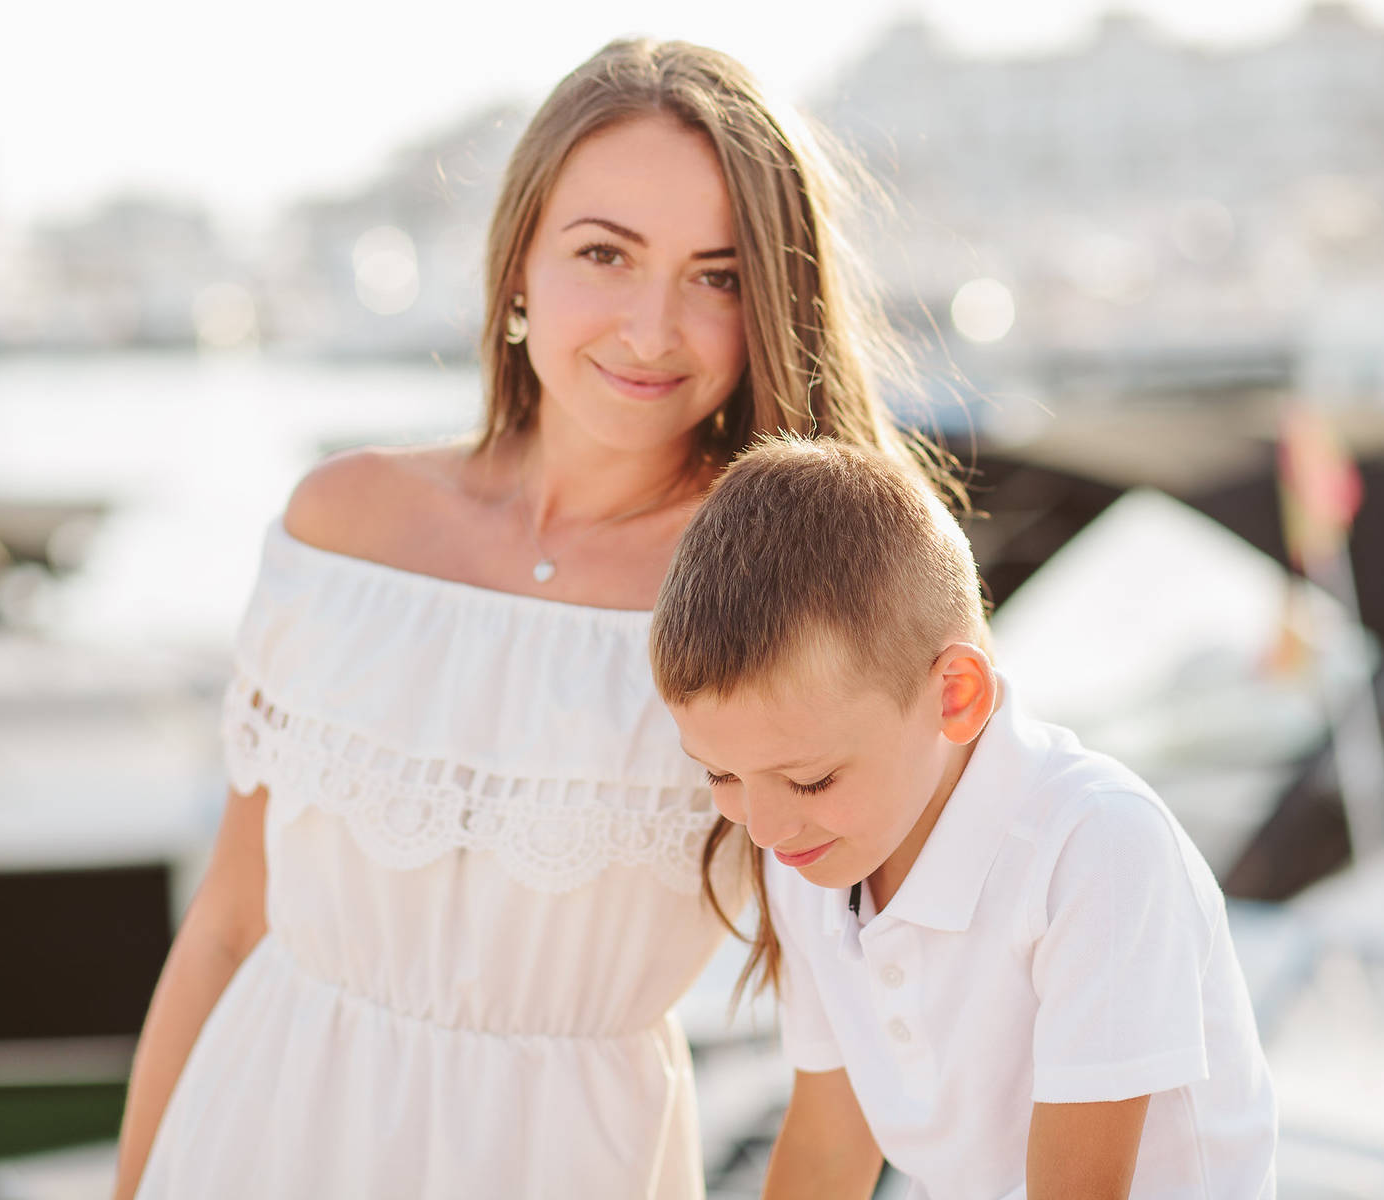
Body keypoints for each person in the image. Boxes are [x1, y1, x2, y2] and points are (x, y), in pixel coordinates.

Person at [113, 39, 956, 1200]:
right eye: (605, 253)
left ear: (772, 301)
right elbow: (225, 923)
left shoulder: (794, 594)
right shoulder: (339, 525)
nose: (651, 330)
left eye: (717, 275)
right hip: (253, 1135)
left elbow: (853, 1058)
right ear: (517, 267)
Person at [651, 437, 1278, 1200]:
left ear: (956, 697)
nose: (764, 827)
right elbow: (826, 1144)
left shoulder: (1098, 847)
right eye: (720, 773)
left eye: (810, 779)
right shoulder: (813, 852)